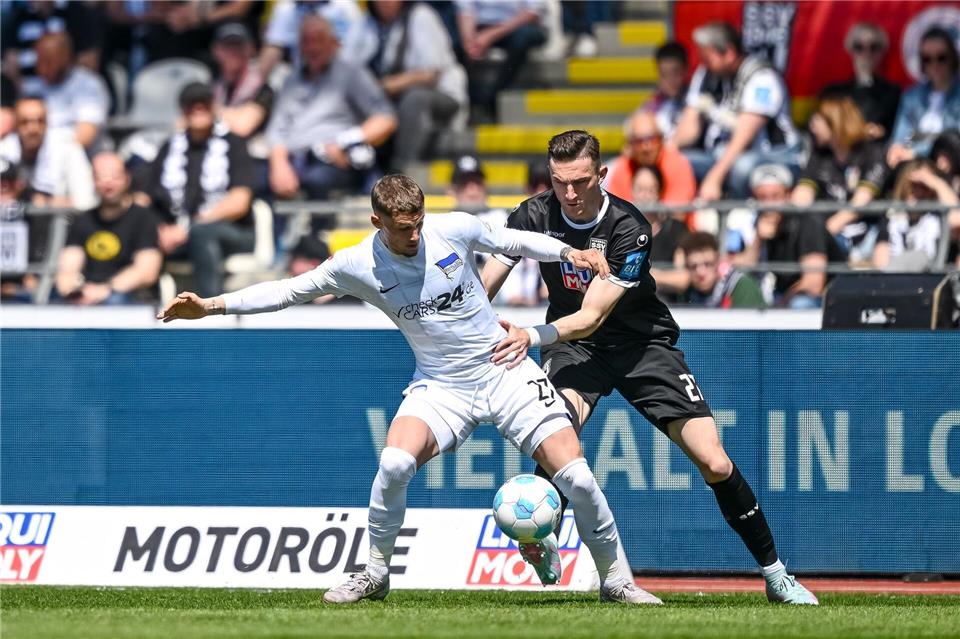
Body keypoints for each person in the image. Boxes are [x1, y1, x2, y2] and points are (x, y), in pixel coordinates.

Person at [157, 173, 659, 606]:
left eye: (419, 221)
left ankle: (616, 581)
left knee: (575, 475)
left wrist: (571, 251)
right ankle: (375, 573)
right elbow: (289, 290)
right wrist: (212, 305)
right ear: (378, 223)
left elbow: (517, 242)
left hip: (503, 368)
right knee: (394, 463)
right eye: (403, 228)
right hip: (440, 385)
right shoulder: (357, 264)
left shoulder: (452, 227)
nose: (415, 234)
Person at [481, 130, 818, 604]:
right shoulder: (532, 214)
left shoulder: (629, 226)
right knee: (558, 429)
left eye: (580, 181)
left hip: (641, 345)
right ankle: (538, 534)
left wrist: (529, 335)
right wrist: (469, 323)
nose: (570, 195)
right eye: (560, 183)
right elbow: (486, 283)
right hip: (577, 351)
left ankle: (776, 574)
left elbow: (592, 315)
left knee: (714, 460)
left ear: (602, 174)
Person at [135, 82, 255, 299]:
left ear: (214, 107)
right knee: (138, 227)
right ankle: (137, 303)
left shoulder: (234, 144)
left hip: (233, 232)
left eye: (204, 104)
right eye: (191, 105)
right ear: (183, 110)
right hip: (176, 232)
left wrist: (189, 227)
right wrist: (160, 229)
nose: (198, 109)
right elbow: (145, 195)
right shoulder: (170, 147)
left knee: (201, 233)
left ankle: (210, 307)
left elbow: (240, 202)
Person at [266, 15, 397, 200]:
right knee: (255, 180)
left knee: (316, 180)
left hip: (332, 161)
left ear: (334, 43)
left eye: (318, 40)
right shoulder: (290, 80)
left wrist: (346, 141)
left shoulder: (352, 74)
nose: (312, 47)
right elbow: (277, 132)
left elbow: (385, 119)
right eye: (306, 41)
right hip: (293, 159)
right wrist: (279, 166)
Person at [673, 22, 800, 200]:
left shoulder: (761, 76)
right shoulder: (706, 75)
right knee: (679, 162)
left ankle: (739, 218)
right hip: (718, 154)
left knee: (742, 167)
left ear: (729, 53)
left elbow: (742, 138)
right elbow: (689, 123)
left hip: (772, 155)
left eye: (708, 58)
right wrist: (667, 151)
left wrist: (714, 178)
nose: (703, 63)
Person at [358, 0, 467, 170]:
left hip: (442, 95)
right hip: (392, 97)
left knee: (414, 99)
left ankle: (404, 167)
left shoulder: (421, 15)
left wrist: (386, 86)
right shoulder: (370, 23)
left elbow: (429, 73)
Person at [731, 165, 845, 309]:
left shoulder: (808, 223)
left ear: (788, 195)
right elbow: (741, 273)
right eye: (763, 197)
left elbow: (813, 284)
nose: (769, 204)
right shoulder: (751, 223)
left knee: (800, 303)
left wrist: (780, 306)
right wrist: (759, 240)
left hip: (825, 301)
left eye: (775, 196)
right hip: (780, 296)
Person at [791, 95, 888, 262]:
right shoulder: (820, 155)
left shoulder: (872, 152)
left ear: (835, 122)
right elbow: (801, 196)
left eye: (817, 121)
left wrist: (821, 233)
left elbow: (859, 205)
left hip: (864, 234)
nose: (812, 128)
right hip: (829, 231)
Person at [55, 153, 162, 305]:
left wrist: (105, 290)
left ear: (127, 178)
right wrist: (75, 290)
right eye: (101, 177)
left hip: (129, 297)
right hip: (87, 294)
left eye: (114, 177)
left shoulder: (144, 218)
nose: (108, 184)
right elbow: (67, 269)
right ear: (93, 181)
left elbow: (147, 272)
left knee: (115, 300)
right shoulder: (83, 220)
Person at [449, 154, 540, 306]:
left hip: (506, 302)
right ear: (451, 190)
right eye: (465, 184)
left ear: (485, 186)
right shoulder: (445, 223)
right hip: (460, 303)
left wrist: (514, 297)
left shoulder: (500, 218)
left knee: (506, 253)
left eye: (477, 183)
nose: (472, 190)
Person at [454, 0, 547, 119]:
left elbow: (533, 13)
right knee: (456, 44)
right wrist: (469, 41)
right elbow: (465, 11)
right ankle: (473, 98)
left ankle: (494, 96)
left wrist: (490, 35)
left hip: (516, 25)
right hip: (479, 26)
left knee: (523, 39)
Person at [0, 97, 96, 209]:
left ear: (47, 123)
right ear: (15, 125)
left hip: (59, 222)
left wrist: (46, 203)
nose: (33, 128)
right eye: (25, 122)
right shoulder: (3, 150)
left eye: (40, 121)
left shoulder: (67, 149)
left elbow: (85, 201)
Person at [887, 27, 960, 168]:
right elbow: (902, 133)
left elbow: (954, 140)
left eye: (941, 58)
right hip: (909, 161)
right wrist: (896, 147)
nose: (935, 65)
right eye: (927, 59)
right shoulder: (911, 96)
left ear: (952, 58)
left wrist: (918, 151)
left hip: (948, 162)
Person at [820, 22, 900, 141]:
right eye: (859, 47)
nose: (866, 54)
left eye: (874, 47)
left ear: (882, 52)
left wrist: (883, 132)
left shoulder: (894, 93)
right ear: (851, 50)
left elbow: (899, 133)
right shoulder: (832, 93)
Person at [31, 32, 111, 152]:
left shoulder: (88, 85)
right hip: (38, 159)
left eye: (48, 61)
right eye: (39, 60)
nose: (41, 68)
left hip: (79, 159)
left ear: (66, 58)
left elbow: (85, 137)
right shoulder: (35, 86)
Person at [873, 159, 957, 271]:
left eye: (925, 187)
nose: (919, 192)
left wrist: (936, 182)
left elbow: (957, 220)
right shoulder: (891, 217)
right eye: (913, 186)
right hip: (899, 282)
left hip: (933, 282)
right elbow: (881, 265)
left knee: (919, 257)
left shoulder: (940, 216)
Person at [605, 110, 696, 206]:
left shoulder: (677, 164)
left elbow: (677, 214)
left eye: (652, 139)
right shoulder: (623, 167)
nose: (646, 147)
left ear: (661, 140)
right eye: (639, 141)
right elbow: (617, 212)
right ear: (630, 144)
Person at [630, 164, 689, 295]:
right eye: (640, 189)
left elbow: (682, 279)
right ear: (631, 191)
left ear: (659, 192)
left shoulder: (675, 229)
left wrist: (649, 275)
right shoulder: (622, 230)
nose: (644, 196)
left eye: (650, 190)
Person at [211, 22, 274, 139]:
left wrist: (209, 109)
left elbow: (243, 126)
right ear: (216, 51)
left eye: (239, 46)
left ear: (251, 49)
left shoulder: (262, 87)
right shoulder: (214, 86)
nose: (233, 52)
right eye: (227, 46)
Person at [677, 231, 765, 309]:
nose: (700, 272)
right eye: (693, 266)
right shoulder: (685, 292)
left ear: (718, 261)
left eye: (707, 264)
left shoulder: (743, 287)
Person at [642, 41, 688, 139]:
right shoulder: (653, 103)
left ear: (686, 71)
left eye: (675, 73)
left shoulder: (695, 102)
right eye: (664, 75)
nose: (670, 80)